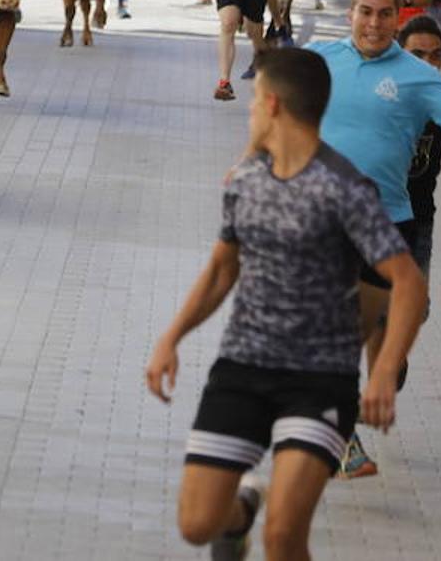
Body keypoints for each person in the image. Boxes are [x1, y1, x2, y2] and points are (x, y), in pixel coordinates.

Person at [146, 46, 426, 560]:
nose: (250, 109)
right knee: (197, 522)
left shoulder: (345, 188)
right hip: (242, 369)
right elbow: (221, 271)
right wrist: (171, 338)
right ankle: (241, 512)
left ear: (272, 104)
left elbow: (408, 282)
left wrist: (383, 372)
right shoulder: (245, 181)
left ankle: (263, 519)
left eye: (254, 99)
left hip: (319, 379)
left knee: (283, 538)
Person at [306, 0, 441, 478]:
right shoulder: (320, 58)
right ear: (350, 13)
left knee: (365, 328)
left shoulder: (418, 76)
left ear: (396, 18)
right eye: (365, 11)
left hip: (390, 225)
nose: (373, 23)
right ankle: (342, 437)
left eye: (384, 14)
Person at [398, 15, 441, 292]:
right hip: (368, 218)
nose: (428, 64)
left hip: (418, 220)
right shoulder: (379, 95)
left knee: (414, 308)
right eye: (417, 54)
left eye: (435, 55)